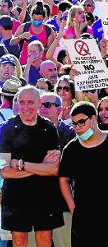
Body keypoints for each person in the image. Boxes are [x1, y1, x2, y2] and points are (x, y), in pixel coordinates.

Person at [0, 86, 64, 247]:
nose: (26, 107)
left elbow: (54, 169)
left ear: (39, 102)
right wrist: (41, 168)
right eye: (21, 102)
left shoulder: (49, 128)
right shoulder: (7, 128)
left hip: (45, 194)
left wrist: (21, 165)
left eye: (30, 102)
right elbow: (5, 172)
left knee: (45, 240)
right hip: (16, 195)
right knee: (19, 241)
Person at [59, 101, 107, 246]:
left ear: (93, 119)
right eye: (74, 124)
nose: (77, 128)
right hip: (84, 217)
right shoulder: (71, 149)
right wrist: (72, 205)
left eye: (81, 122)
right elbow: (63, 179)